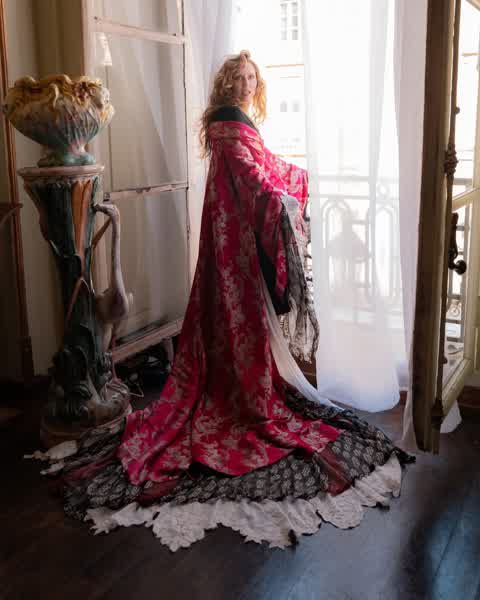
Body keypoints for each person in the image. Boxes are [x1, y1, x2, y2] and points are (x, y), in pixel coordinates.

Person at [38, 51, 413, 549]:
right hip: (230, 240)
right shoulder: (225, 122)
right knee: (239, 317)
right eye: (237, 77)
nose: (244, 83)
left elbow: (265, 164)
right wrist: (283, 198)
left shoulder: (237, 122)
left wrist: (302, 178)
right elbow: (252, 175)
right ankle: (238, 393)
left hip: (232, 237)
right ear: (225, 84)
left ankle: (240, 385)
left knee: (240, 318)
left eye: (250, 78)